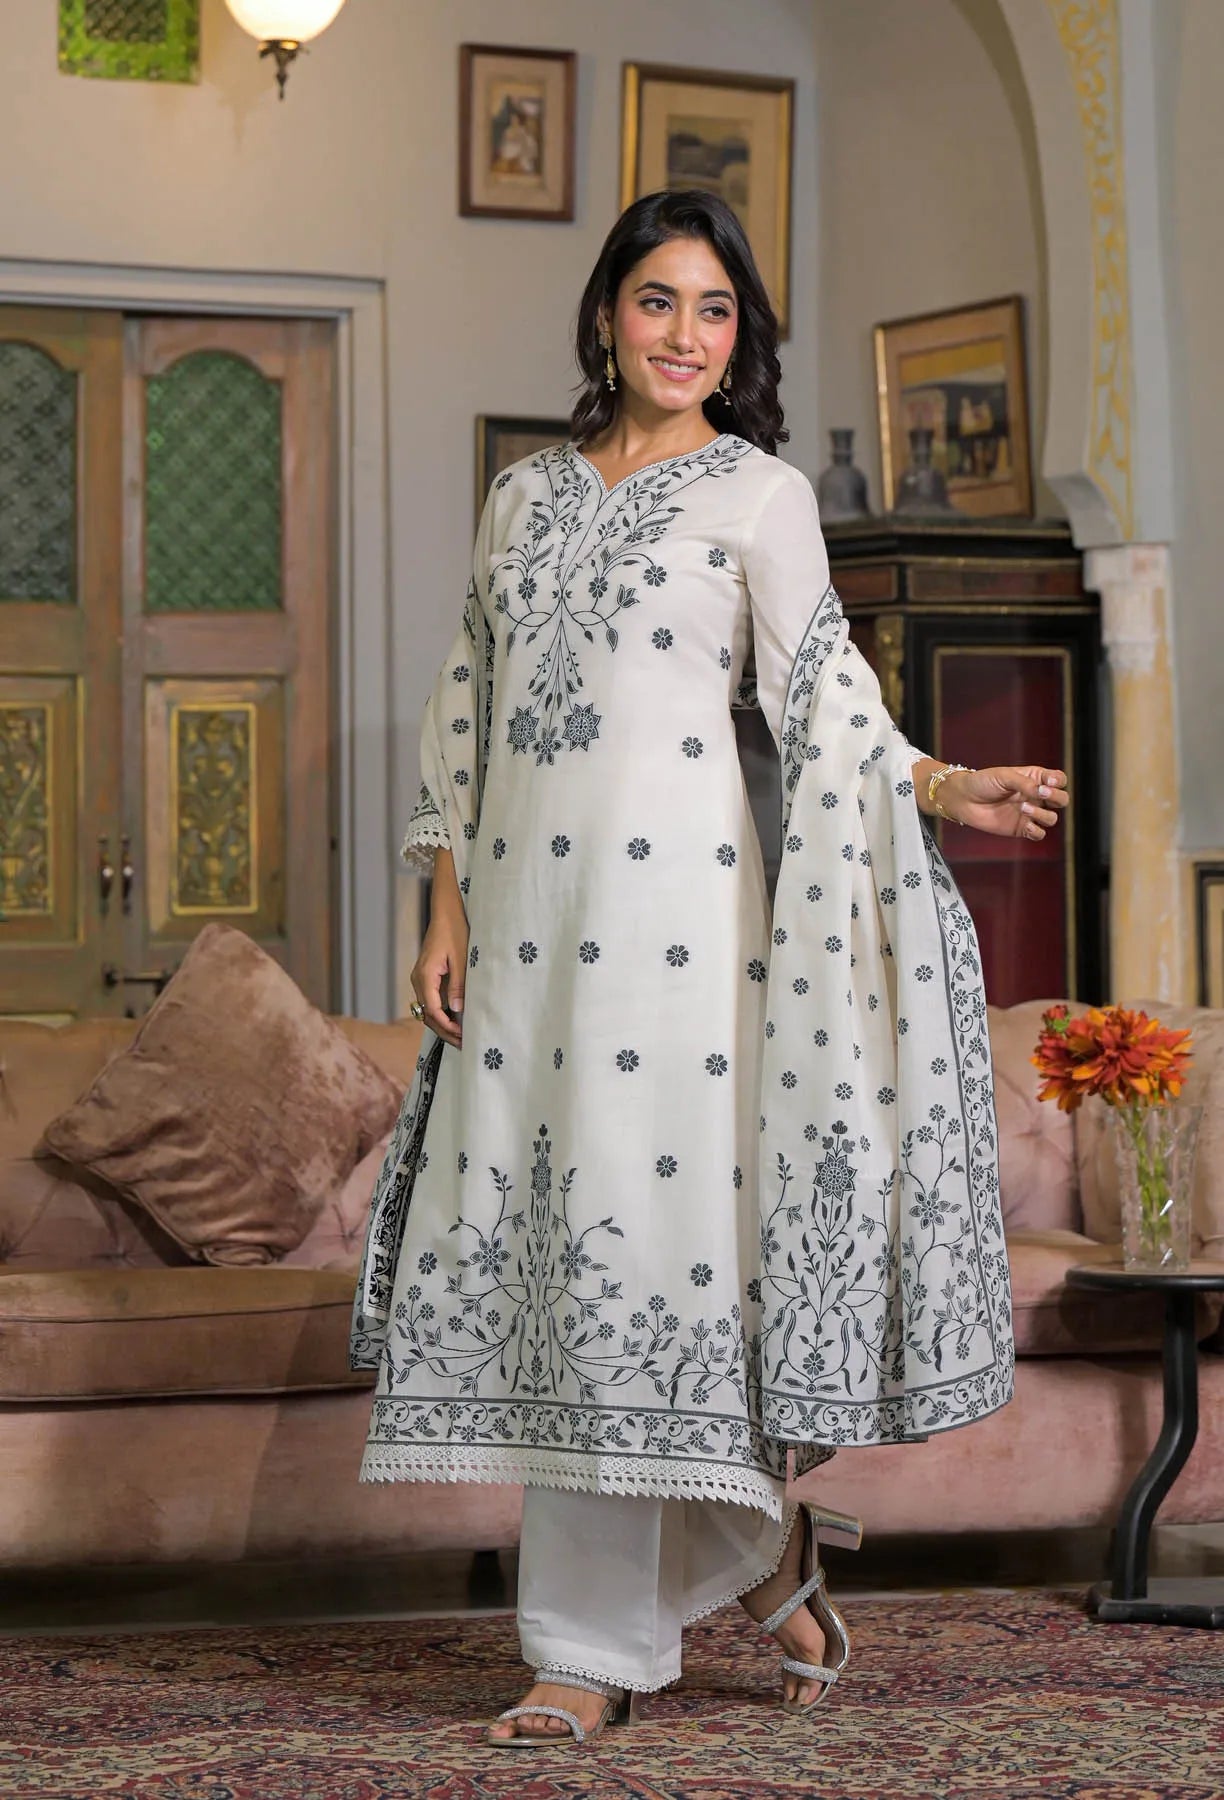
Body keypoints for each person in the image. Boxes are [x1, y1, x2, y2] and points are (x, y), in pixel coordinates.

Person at [350, 190, 1069, 1747]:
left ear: (741, 338)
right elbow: (461, 706)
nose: (685, 334)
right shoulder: (523, 497)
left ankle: (583, 1652)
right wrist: (442, 902)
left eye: (717, 310)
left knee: (638, 1254)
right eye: (658, 301)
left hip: (678, 939)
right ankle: (767, 1556)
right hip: (526, 937)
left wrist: (951, 790)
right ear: (606, 313)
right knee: (554, 1260)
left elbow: (827, 698)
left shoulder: (757, 497)